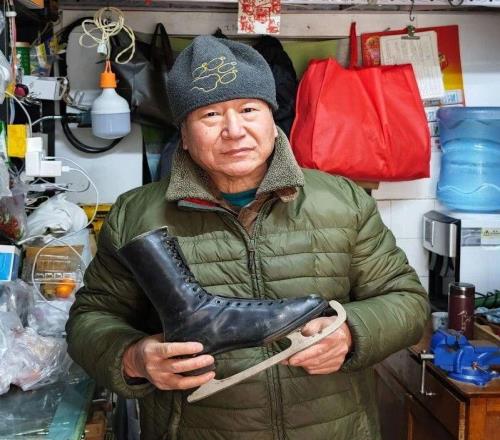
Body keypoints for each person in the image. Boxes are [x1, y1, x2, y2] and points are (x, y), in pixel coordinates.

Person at [66, 35, 429, 440]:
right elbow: (89, 320)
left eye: (248, 109)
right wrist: (133, 358)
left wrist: (350, 334)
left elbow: (408, 301)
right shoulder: (135, 215)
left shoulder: (342, 201)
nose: (234, 130)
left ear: (272, 120)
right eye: (210, 115)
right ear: (183, 133)